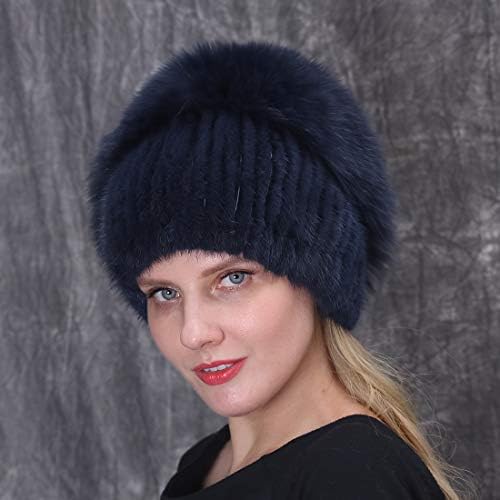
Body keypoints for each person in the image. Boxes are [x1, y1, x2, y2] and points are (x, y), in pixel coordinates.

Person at [87, 40, 470, 499]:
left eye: (232, 278)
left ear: (317, 278)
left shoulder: (353, 477)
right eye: (164, 293)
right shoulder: (208, 462)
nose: (193, 333)